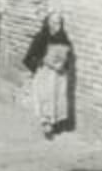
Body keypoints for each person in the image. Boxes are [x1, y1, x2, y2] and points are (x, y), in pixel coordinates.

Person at [23, 11, 72, 140]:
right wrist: (43, 62)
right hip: (45, 73)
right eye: (55, 22)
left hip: (58, 75)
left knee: (56, 97)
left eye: (60, 23)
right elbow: (29, 57)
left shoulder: (64, 38)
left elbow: (68, 56)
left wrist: (64, 63)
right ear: (48, 23)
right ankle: (46, 124)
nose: (58, 26)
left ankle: (53, 122)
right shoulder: (41, 37)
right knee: (45, 97)